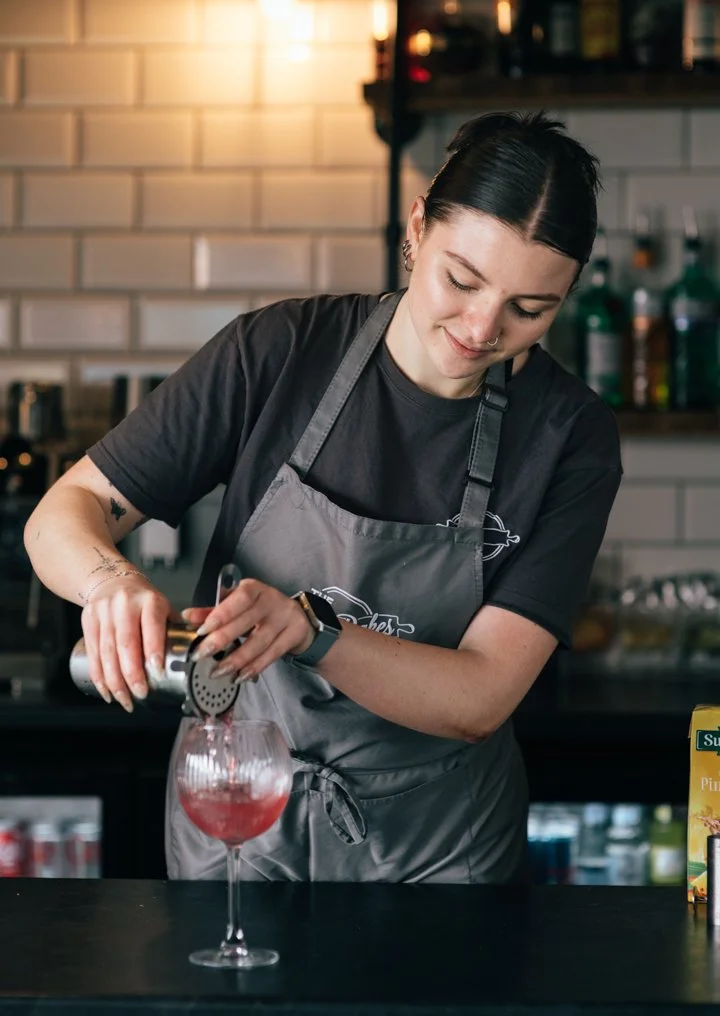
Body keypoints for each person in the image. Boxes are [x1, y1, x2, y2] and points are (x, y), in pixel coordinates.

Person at [25, 111, 622, 884]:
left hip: (440, 854)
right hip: (240, 810)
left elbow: (479, 696)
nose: (482, 328)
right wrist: (110, 582)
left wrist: (312, 632)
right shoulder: (277, 354)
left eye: (529, 309)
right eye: (461, 280)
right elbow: (63, 513)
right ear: (417, 229)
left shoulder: (569, 435)